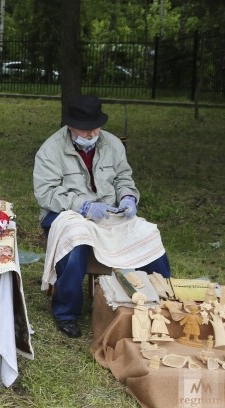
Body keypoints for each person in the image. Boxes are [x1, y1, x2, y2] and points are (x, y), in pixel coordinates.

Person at [34, 94, 171, 338]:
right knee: (76, 240)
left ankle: (163, 302)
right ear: (70, 126)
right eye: (85, 129)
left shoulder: (113, 144)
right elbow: (46, 193)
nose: (91, 134)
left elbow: (123, 178)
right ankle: (66, 312)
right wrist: (82, 206)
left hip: (108, 212)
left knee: (147, 233)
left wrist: (129, 196)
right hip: (65, 213)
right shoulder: (50, 150)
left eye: (95, 127)